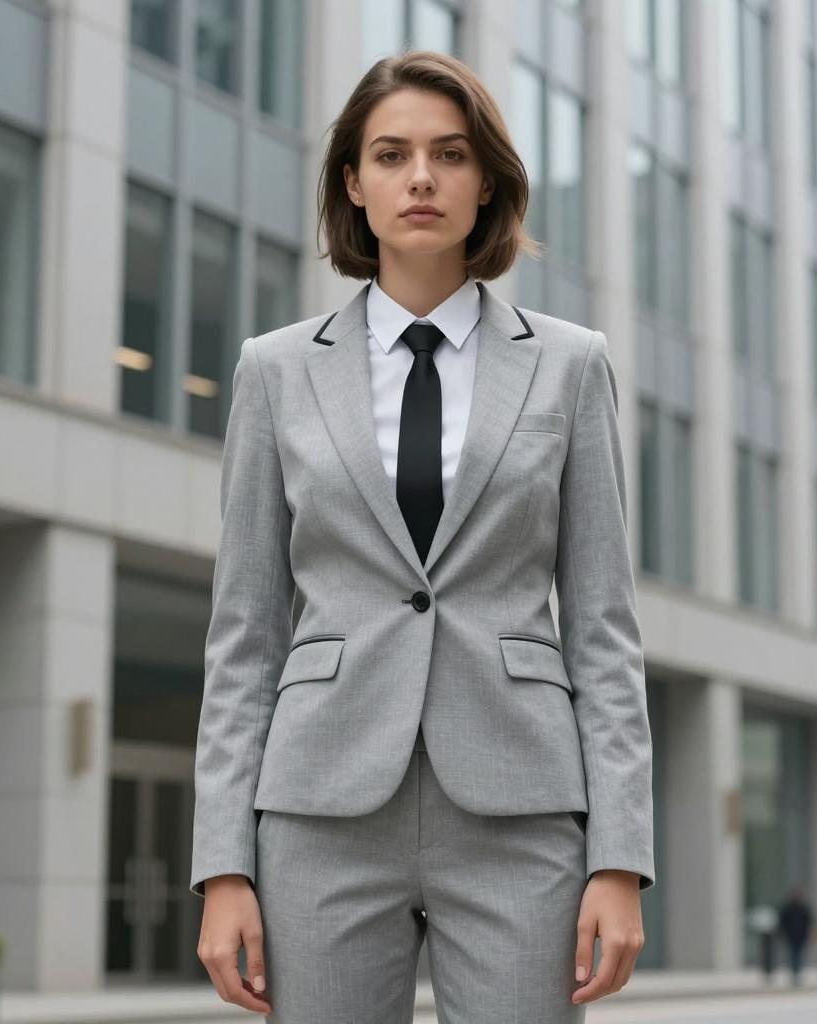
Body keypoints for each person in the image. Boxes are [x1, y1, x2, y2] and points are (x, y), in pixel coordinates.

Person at [190, 49, 655, 1022]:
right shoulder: (274, 371)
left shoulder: (570, 366)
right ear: (353, 184)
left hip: (519, 809)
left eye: (449, 154)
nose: (420, 178)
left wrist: (619, 856)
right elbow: (245, 635)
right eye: (391, 155)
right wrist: (223, 865)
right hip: (319, 808)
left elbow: (604, 628)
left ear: (485, 181)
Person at [778, 882, 816, 986]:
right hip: (791, 936)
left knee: (799, 955)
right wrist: (782, 933)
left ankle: (797, 973)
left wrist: (811, 933)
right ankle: (794, 973)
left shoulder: (804, 908)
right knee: (793, 955)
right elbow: (783, 922)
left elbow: (810, 922)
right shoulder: (788, 908)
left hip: (801, 936)